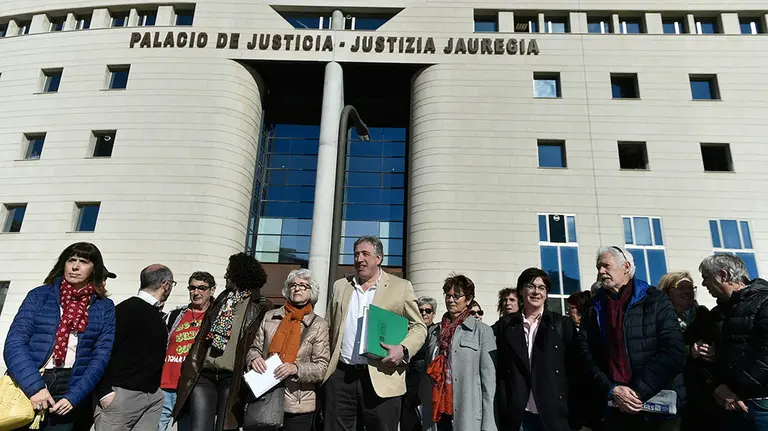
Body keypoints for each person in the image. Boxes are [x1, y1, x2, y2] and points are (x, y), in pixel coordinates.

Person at [4, 242, 116, 431]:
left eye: (84, 262)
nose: (75, 267)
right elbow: (15, 342)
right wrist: (35, 387)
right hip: (29, 378)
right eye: (71, 260)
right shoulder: (39, 296)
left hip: (69, 385)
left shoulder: (104, 307)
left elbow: (100, 356)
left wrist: (75, 396)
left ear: (94, 268)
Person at [323, 235, 427, 431]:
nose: (359, 259)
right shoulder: (340, 286)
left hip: (382, 376)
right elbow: (328, 326)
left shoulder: (401, 287)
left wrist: (403, 349)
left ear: (379, 258)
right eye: (356, 254)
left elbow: (419, 327)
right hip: (341, 376)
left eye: (365, 254)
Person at [578, 246, 686, 431]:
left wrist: (636, 392)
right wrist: (612, 390)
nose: (601, 271)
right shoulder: (593, 307)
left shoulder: (655, 300)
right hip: (615, 407)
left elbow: (673, 351)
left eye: (606, 266)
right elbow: (585, 353)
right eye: (598, 267)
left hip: (658, 409)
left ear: (626, 267)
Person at [174, 253, 273, 431]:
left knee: (225, 427)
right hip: (205, 374)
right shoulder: (222, 300)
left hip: (233, 378)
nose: (226, 275)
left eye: (229, 272)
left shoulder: (261, 306)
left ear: (240, 273)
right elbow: (202, 336)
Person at [496, 268, 580, 431]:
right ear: (521, 290)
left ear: (546, 294)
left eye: (542, 288)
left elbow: (575, 370)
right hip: (519, 414)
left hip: (554, 413)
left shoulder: (562, 324)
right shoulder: (505, 325)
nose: (536, 292)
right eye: (531, 286)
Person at [246, 269, 330, 431]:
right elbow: (254, 348)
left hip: (297, 403)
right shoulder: (270, 316)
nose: (297, 288)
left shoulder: (319, 325)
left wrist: (295, 368)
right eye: (293, 285)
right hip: (266, 396)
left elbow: (322, 367)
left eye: (303, 285)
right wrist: (254, 358)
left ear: (311, 292)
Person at [94, 264, 176, 430]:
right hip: (122, 396)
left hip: (152, 396)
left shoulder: (155, 314)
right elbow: (101, 350)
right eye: (172, 284)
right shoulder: (127, 310)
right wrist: (104, 391)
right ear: (165, 285)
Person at [698, 254, 768, 430]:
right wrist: (717, 387)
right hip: (727, 406)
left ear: (723, 275)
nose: (703, 284)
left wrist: (733, 389)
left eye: (706, 277)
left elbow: (765, 354)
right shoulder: (716, 314)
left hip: (760, 406)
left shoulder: (764, 302)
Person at [420, 273, 496, 431]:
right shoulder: (435, 332)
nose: (450, 300)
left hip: (467, 411)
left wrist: (488, 424)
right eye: (447, 296)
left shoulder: (482, 331)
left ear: (468, 299)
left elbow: (489, 381)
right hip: (437, 410)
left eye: (456, 296)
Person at [658, 271, 721, 431]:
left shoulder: (704, 315)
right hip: (670, 392)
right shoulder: (657, 318)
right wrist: (688, 350)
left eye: (690, 288)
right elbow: (654, 348)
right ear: (667, 292)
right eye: (681, 287)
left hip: (703, 391)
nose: (687, 291)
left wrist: (714, 352)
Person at [158, 271, 217, 431]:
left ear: (212, 290)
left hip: (193, 387)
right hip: (166, 384)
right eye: (192, 288)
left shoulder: (215, 318)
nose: (196, 292)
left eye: (202, 288)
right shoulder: (175, 315)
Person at [400, 296, 439, 431]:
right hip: (409, 382)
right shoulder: (409, 331)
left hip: (428, 381)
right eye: (420, 310)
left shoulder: (438, 332)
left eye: (428, 311)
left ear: (433, 314)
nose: (424, 313)